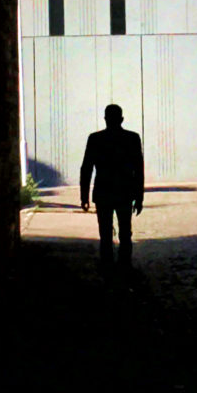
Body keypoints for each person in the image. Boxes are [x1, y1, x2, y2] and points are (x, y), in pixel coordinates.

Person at [79, 103, 144, 269]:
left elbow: (86, 169)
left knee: (105, 233)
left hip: (103, 192)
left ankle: (107, 265)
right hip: (124, 192)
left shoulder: (95, 139)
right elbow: (139, 170)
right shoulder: (132, 138)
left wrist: (84, 197)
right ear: (122, 119)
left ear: (105, 119)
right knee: (125, 231)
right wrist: (139, 197)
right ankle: (125, 264)